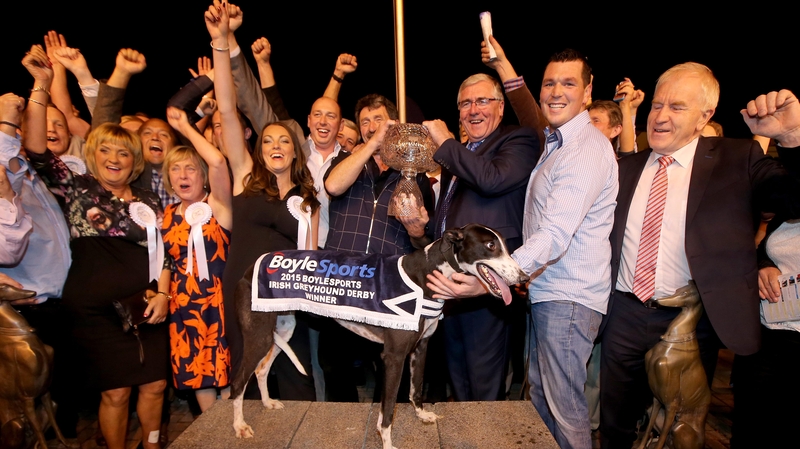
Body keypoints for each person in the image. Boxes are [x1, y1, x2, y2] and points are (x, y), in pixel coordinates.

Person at [599, 63, 800, 448]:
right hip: (623, 313)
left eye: (676, 107)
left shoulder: (735, 159)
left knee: (682, 432)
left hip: (693, 321)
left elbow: (791, 199)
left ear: (704, 115)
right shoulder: (626, 166)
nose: (659, 116)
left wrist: (793, 138)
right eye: (657, 105)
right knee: (616, 425)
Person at [22, 45, 169, 449]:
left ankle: (153, 444)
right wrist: (41, 84)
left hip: (146, 305)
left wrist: (165, 294)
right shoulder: (74, 186)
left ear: (135, 160)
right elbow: (35, 150)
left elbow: (165, 255)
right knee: (116, 392)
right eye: (106, 149)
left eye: (124, 151)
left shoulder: (149, 202)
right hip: (95, 312)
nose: (115, 157)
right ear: (92, 154)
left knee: (155, 385)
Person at [209, 1, 320, 401]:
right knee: (246, 373)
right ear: (260, 149)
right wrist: (220, 42)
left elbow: (309, 254)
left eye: (284, 140)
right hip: (241, 286)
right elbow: (227, 105)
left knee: (295, 379)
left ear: (295, 152)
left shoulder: (309, 199)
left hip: (287, 295)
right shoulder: (243, 177)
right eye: (268, 139)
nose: (275, 144)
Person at [422, 71, 539, 402]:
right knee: (457, 380)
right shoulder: (456, 157)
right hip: (450, 284)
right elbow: (450, 218)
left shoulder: (519, 140)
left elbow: (492, 180)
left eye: (482, 101)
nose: (473, 109)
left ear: (500, 108)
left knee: (484, 386)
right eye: (465, 103)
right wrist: (424, 226)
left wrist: (446, 142)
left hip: (489, 284)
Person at [163, 105, 233, 412]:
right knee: (198, 379)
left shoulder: (217, 204)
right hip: (183, 308)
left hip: (219, 304)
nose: (182, 175)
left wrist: (186, 127)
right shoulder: (165, 216)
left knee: (226, 378)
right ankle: (211, 436)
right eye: (175, 169)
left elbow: (218, 160)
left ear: (202, 175)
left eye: (190, 168)